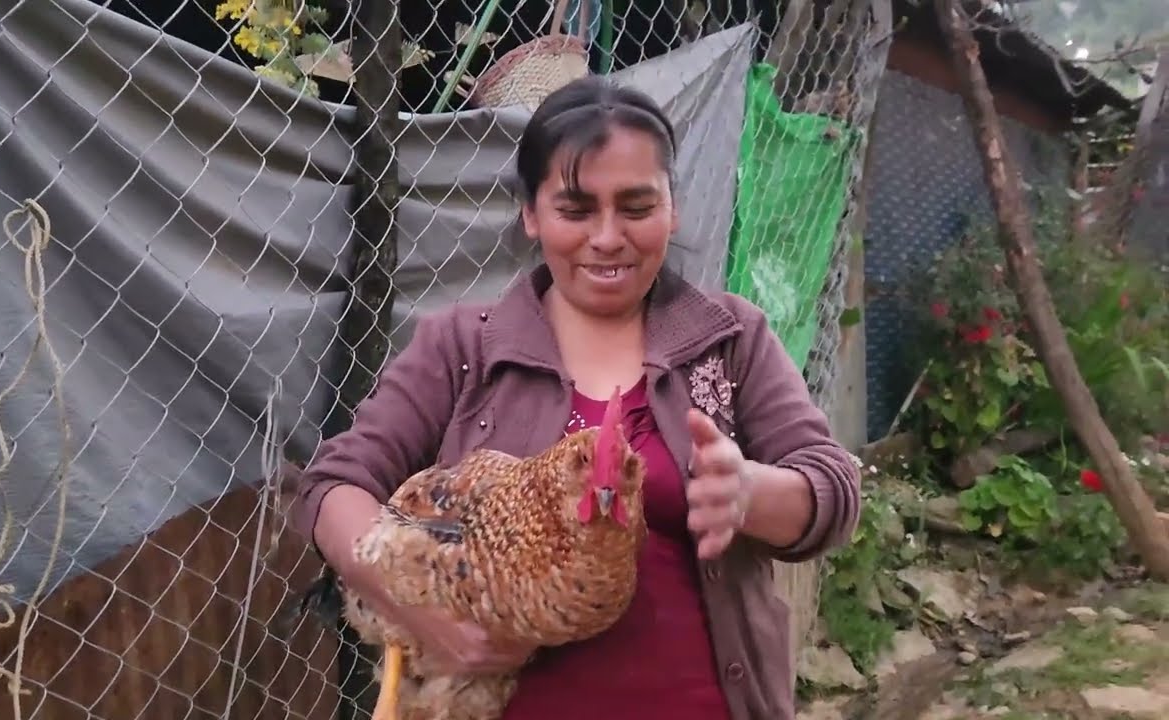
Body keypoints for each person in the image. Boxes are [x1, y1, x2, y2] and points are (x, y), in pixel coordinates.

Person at [293, 76, 861, 720]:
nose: (608, 237)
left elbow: (832, 488)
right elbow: (331, 486)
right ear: (532, 214)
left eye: (637, 206)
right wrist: (418, 608)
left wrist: (751, 495)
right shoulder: (463, 348)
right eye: (576, 209)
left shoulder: (728, 340)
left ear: (673, 208)